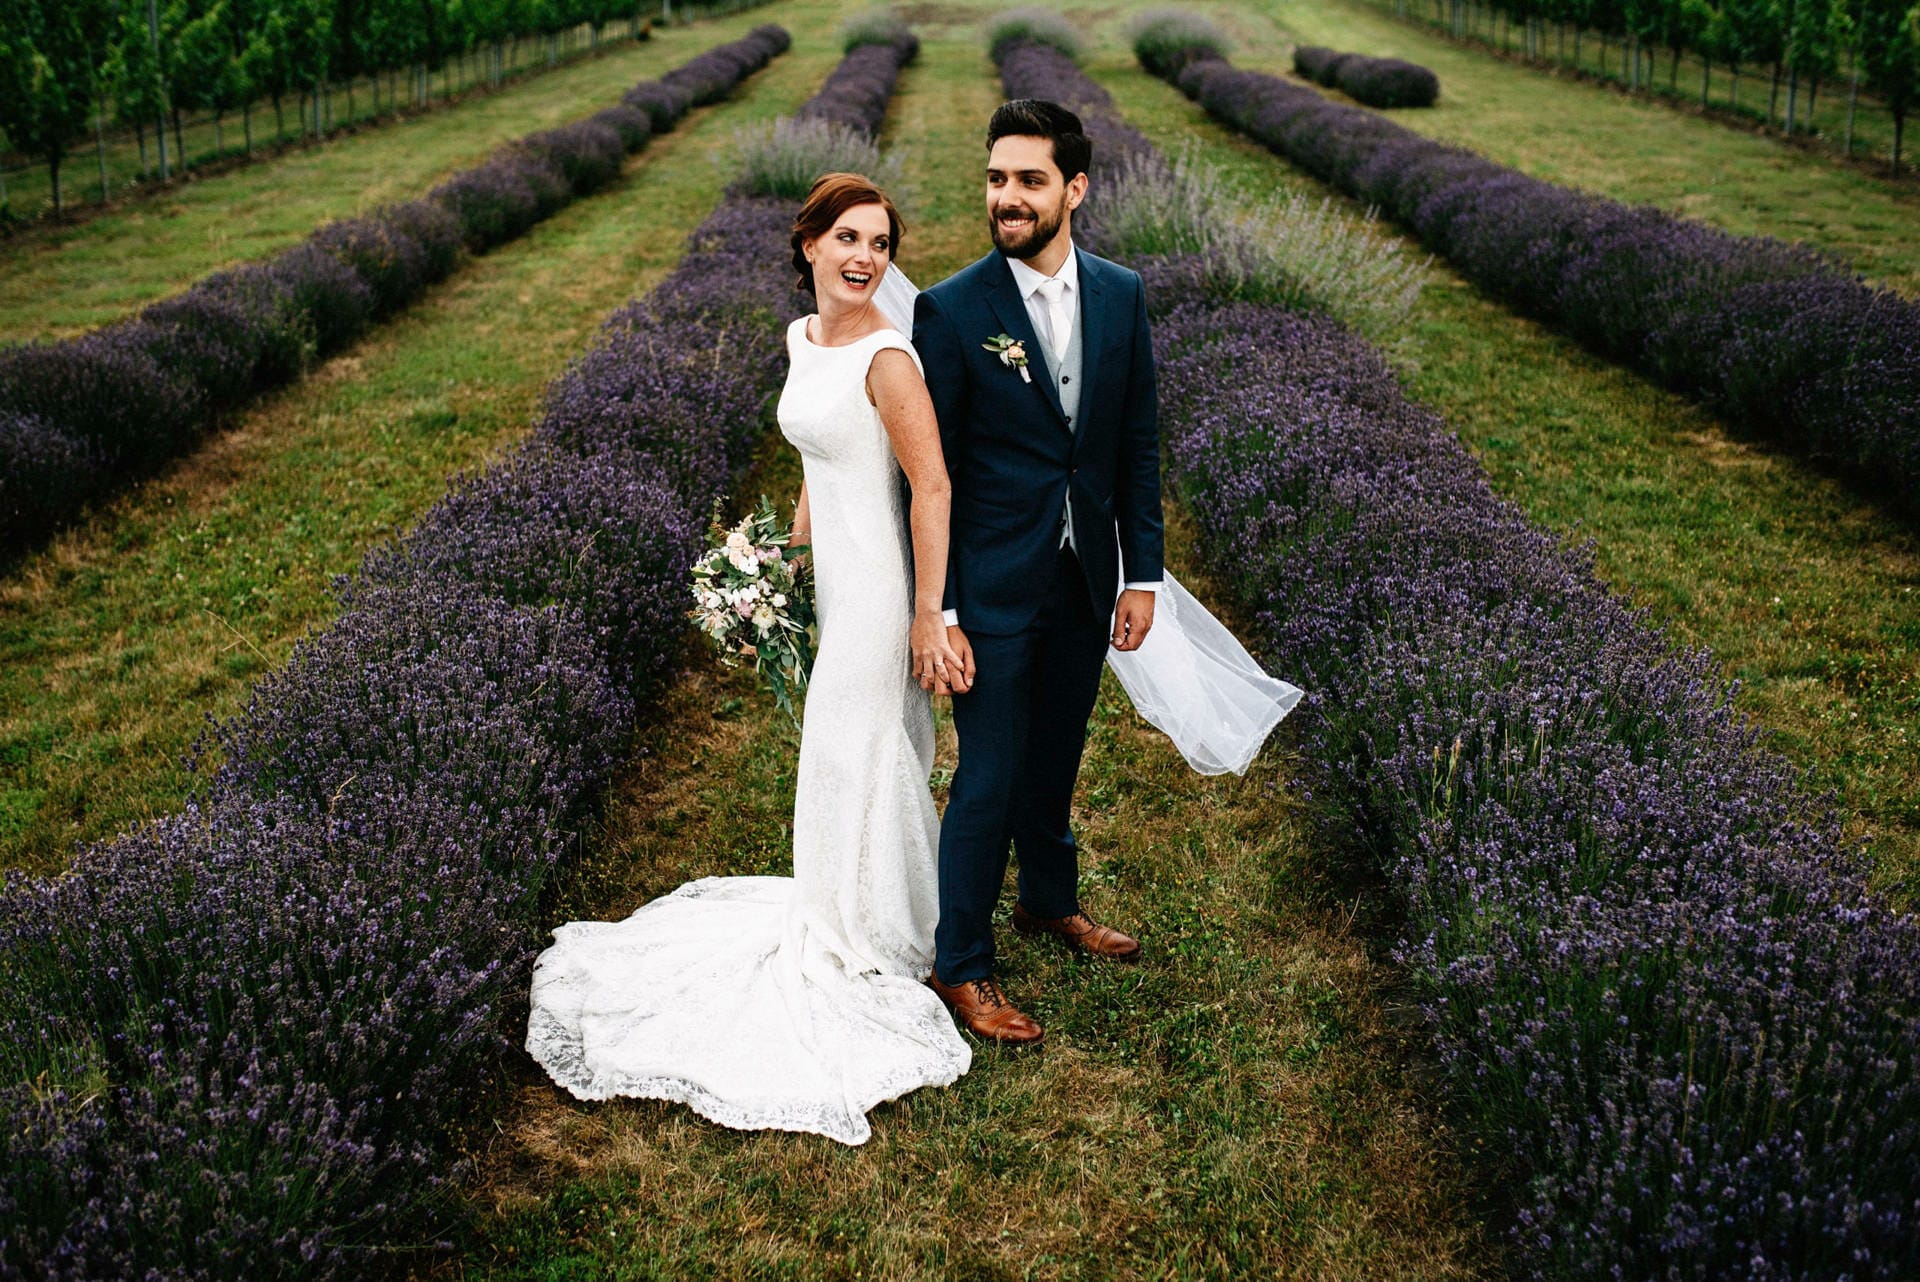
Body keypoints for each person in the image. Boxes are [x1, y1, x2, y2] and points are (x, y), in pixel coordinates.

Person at [523, 172, 971, 1146]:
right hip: (832, 579)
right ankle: (850, 905)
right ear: (809, 244)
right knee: (839, 749)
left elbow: (932, 487)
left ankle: (879, 934)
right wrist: (781, 570)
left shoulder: (889, 359)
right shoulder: (804, 340)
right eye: (848, 238)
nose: (865, 258)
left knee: (861, 747)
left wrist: (926, 614)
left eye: (881, 245)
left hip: (882, 588)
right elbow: (815, 463)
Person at [911, 99, 1166, 1047]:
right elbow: (928, 476)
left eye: (1029, 180)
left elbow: (1135, 441)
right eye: (995, 179)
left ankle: (1049, 902)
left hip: (1084, 577)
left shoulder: (1121, 293)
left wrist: (1142, 575)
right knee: (989, 774)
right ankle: (960, 962)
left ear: (1076, 188)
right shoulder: (952, 309)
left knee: (1058, 752)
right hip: (989, 584)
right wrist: (940, 608)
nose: (1006, 198)